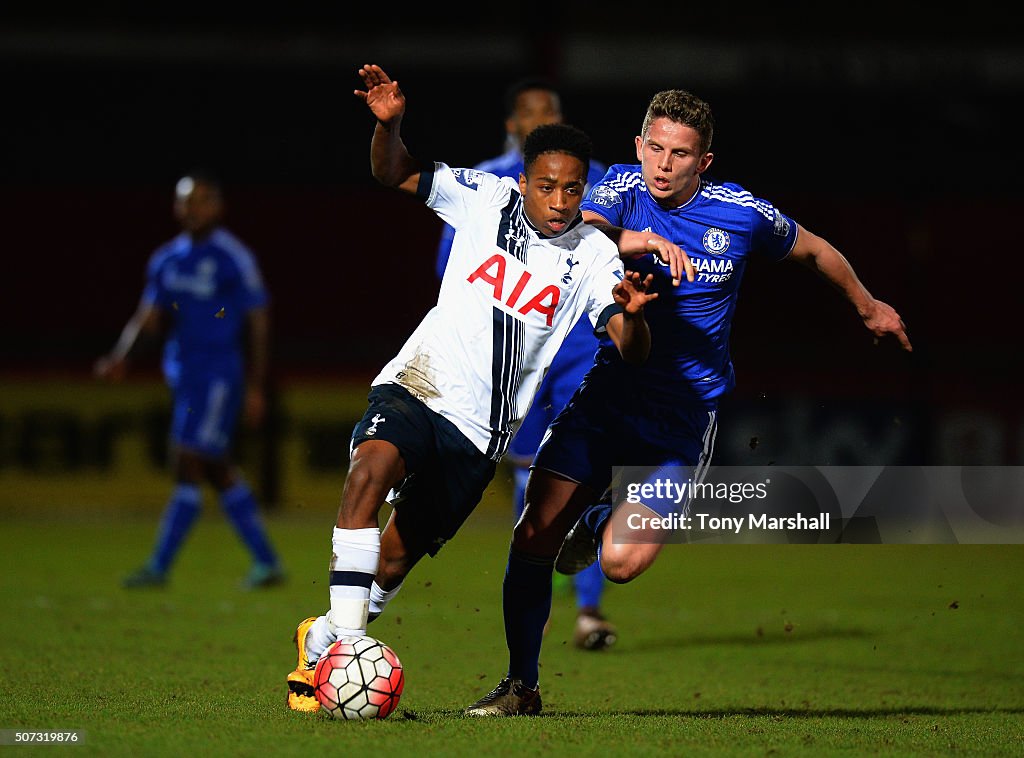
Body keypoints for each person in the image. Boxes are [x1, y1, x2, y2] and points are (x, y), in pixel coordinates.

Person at [465, 88, 912, 716]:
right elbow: (578, 232)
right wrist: (637, 240)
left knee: (620, 563)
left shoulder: (741, 213)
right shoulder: (619, 191)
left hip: (680, 422)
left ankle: (594, 521)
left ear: (704, 161)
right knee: (533, 534)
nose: (663, 164)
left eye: (680, 153)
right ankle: (520, 686)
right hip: (605, 397)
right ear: (638, 145)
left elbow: (812, 248)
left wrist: (869, 306)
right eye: (655, 147)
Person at [284, 63, 686, 713]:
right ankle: (348, 654)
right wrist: (391, 128)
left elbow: (628, 349)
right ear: (523, 181)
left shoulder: (592, 256)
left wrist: (635, 317)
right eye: (548, 186)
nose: (560, 201)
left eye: (573, 190)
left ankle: (324, 637)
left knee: (389, 566)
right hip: (419, 384)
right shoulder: (483, 198)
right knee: (368, 475)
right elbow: (395, 172)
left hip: (478, 434)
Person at [435, 76, 617, 651]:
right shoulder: (489, 184)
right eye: (530, 112)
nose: (541, 118)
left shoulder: (598, 181)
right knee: (527, 472)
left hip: (578, 351)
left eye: (551, 110)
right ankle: (533, 603)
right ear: (512, 125)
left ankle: (588, 608)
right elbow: (456, 266)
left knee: (578, 472)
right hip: (515, 349)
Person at [95, 170, 286, 591]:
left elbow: (258, 321)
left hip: (219, 376)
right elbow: (148, 317)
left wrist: (256, 385)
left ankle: (159, 567)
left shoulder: (234, 257)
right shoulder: (167, 259)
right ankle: (267, 561)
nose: (193, 208)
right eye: (186, 201)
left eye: (201, 200)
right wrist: (120, 357)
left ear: (218, 206)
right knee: (216, 469)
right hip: (183, 375)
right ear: (176, 207)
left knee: (187, 458)